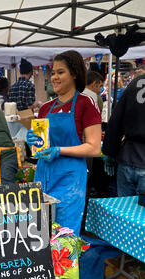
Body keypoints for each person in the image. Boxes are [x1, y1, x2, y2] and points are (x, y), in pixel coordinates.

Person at [26, 50, 101, 236]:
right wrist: (32, 141)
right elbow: (40, 147)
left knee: (64, 237)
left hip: (69, 181)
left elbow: (94, 147)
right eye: (53, 72)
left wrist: (59, 150)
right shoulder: (45, 108)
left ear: (74, 74)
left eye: (60, 72)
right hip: (43, 176)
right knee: (39, 233)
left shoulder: (86, 104)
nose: (54, 77)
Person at [102, 67, 145, 196]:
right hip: (134, 159)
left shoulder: (136, 83)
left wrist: (110, 153)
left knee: (124, 212)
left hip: (126, 159)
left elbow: (116, 120)